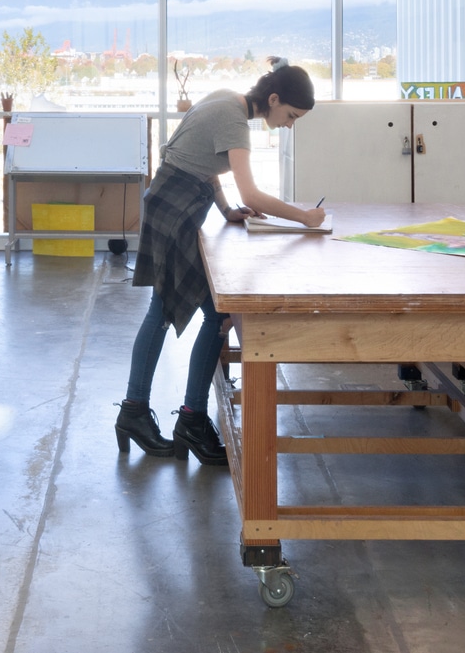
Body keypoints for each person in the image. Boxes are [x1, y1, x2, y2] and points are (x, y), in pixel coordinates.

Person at [118, 62, 324, 467]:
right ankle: (150, 415)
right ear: (274, 100)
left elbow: (205, 166)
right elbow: (254, 191)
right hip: (175, 208)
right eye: (291, 117)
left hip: (171, 201)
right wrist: (304, 217)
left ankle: (171, 416)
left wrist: (227, 209)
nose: (289, 125)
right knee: (175, 313)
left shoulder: (227, 100)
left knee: (211, 311)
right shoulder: (235, 121)